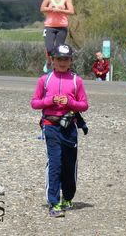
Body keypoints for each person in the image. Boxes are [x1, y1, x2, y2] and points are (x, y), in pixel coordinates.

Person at [31, 44, 89, 217]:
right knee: (55, 163)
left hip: (70, 127)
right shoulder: (44, 80)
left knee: (69, 165)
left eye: (66, 59)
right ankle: (53, 203)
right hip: (50, 126)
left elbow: (84, 105)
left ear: (71, 61)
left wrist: (70, 102)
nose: (62, 62)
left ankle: (68, 197)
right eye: (59, 59)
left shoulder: (76, 80)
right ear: (52, 60)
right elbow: (34, 103)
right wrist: (49, 100)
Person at [40, 0, 75, 73]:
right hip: (49, 26)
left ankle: (56, 69)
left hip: (62, 27)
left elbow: (71, 11)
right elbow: (42, 8)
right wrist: (51, 9)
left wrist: (59, 10)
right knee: (50, 48)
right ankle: (48, 62)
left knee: (59, 50)